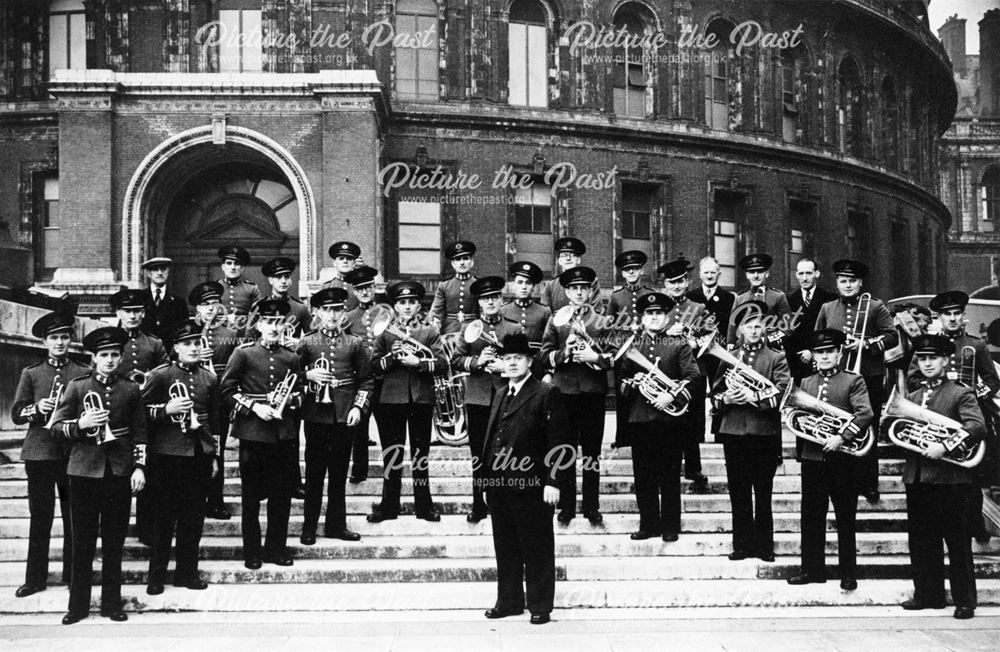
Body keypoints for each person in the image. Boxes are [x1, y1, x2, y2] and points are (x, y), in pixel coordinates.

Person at [50, 326, 147, 625]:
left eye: (114, 354)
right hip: (82, 472)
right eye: (103, 355)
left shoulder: (131, 389)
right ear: (93, 358)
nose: (109, 360)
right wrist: (81, 423)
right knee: (82, 542)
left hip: (118, 470)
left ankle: (111, 604)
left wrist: (140, 467)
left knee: (114, 542)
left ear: (121, 357)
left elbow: (141, 432)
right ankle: (77, 606)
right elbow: (56, 427)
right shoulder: (78, 386)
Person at [482, 333, 571, 625]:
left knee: (537, 546)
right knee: (505, 546)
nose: (511, 364)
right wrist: (486, 482)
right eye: (507, 359)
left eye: (517, 358)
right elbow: (490, 439)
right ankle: (508, 601)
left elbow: (560, 443)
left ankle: (540, 604)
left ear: (529, 361)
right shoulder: (500, 392)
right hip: (500, 485)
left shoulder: (546, 392)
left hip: (533, 485)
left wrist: (553, 481)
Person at [899, 334, 985, 620]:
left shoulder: (960, 392)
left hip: (950, 479)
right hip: (918, 477)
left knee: (957, 542)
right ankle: (928, 595)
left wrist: (945, 445)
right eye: (922, 359)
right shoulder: (912, 396)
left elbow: (976, 426)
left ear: (945, 360)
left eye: (932, 358)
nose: (926, 363)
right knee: (922, 540)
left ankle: (964, 601)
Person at [786, 329, 873, 591]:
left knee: (845, 518)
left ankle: (848, 573)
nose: (824, 356)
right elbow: (800, 416)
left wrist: (842, 437)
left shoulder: (853, 380)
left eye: (829, 352)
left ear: (839, 353)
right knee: (811, 517)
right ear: (813, 355)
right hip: (812, 458)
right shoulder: (807, 381)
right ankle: (812, 571)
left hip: (844, 460)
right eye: (820, 352)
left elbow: (865, 414)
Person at [11, 311, 89, 598]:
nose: (60, 342)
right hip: (40, 453)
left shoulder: (82, 370)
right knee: (40, 517)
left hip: (73, 453)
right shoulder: (31, 373)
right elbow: (17, 413)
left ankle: (73, 574)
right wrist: (37, 408)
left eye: (64, 337)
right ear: (44, 341)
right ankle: (35, 579)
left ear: (71, 340)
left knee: (74, 517)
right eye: (54, 338)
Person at [911, 291, 1000, 543]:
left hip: (969, 417)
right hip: (935, 416)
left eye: (956, 314)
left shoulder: (976, 345)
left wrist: (972, 394)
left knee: (972, 475)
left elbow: (992, 380)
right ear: (939, 316)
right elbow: (913, 379)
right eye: (947, 314)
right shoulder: (928, 346)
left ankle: (975, 523)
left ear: (963, 316)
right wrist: (942, 386)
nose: (952, 319)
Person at [220, 299, 302, 569]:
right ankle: (252, 552)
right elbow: (227, 391)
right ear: (258, 324)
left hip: (283, 435)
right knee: (251, 497)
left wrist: (286, 402)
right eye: (269, 322)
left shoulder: (291, 357)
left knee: (281, 496)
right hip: (253, 434)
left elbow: (300, 395)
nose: (274, 328)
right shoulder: (243, 353)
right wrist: (255, 407)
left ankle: (276, 550)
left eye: (280, 323)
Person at [142, 321, 221, 596]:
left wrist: (213, 456)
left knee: (193, 518)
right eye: (187, 343)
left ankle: (187, 573)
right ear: (175, 348)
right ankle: (156, 575)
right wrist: (166, 409)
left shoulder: (209, 378)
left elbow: (214, 421)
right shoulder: (160, 375)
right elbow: (140, 414)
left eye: (197, 343)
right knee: (163, 519)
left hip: (198, 455)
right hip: (166, 457)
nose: (193, 348)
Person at [711, 301, 790, 562]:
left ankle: (764, 546)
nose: (754, 331)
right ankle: (742, 545)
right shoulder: (730, 355)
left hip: (763, 432)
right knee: (739, 490)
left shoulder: (776, 357)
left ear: (765, 327)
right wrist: (728, 399)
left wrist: (754, 395)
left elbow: (781, 393)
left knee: (763, 491)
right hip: (733, 431)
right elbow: (715, 394)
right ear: (741, 329)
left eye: (758, 326)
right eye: (749, 326)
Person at [814, 259, 896, 503]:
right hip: (838, 378)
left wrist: (867, 343)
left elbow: (891, 337)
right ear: (837, 283)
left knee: (866, 427)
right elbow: (818, 339)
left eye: (852, 281)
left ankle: (869, 483)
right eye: (843, 281)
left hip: (868, 376)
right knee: (839, 425)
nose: (847, 285)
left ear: (860, 283)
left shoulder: (874, 306)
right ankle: (843, 480)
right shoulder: (828, 308)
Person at [619, 293, 700, 542]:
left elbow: (693, 378)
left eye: (658, 314)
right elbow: (621, 382)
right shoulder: (634, 346)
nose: (654, 318)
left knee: (669, 474)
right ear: (642, 318)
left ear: (666, 317)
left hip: (669, 420)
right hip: (640, 418)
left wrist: (672, 398)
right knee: (643, 475)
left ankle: (669, 526)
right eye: (649, 314)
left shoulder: (678, 344)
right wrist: (634, 383)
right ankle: (648, 524)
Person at [298, 288, 373, 544]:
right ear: (317, 312)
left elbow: (366, 381)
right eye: (327, 309)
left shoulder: (354, 343)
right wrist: (307, 376)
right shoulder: (307, 342)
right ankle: (309, 527)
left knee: (339, 474)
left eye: (337, 309)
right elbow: (292, 375)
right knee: (315, 473)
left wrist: (357, 408)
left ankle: (336, 526)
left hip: (344, 415)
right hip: (316, 415)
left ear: (343, 312)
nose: (332, 314)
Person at [368, 281, 447, 523]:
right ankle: (388, 506)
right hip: (391, 400)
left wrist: (419, 363)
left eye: (411, 302)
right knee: (392, 454)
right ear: (395, 306)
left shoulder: (429, 331)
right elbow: (373, 366)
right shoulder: (385, 331)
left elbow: (443, 364)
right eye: (402, 303)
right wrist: (392, 357)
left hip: (421, 399)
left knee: (420, 456)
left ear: (418, 305)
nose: (407, 307)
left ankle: (425, 506)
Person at [540, 266, 613, 525]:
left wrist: (596, 357)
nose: (580, 293)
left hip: (593, 391)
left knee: (592, 452)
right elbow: (543, 356)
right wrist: (565, 353)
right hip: (565, 392)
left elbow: (616, 354)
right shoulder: (556, 319)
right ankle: (568, 506)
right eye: (574, 288)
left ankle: (591, 507)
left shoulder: (602, 320)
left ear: (590, 291)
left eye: (584, 288)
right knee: (566, 449)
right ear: (567, 291)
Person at [453, 276, 520, 522]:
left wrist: (504, 366)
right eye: (485, 298)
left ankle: (504, 502)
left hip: (507, 396)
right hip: (478, 397)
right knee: (478, 452)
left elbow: (523, 361)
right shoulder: (468, 329)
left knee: (506, 451)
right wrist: (477, 362)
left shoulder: (512, 328)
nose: (490, 302)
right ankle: (478, 504)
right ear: (479, 302)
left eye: (494, 297)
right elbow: (456, 360)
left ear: (501, 300)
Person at [109, 287, 168, 547]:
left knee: (152, 476)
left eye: (137, 311)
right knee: (117, 477)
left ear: (144, 313)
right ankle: (113, 532)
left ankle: (147, 529)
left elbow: (165, 373)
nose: (132, 316)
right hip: (119, 419)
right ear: (118, 313)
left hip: (148, 416)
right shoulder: (109, 343)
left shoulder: (153, 343)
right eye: (127, 311)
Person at [188, 281, 241, 520]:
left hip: (218, 402)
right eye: (204, 305)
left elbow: (236, 370)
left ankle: (216, 501)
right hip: (193, 402)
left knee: (216, 451)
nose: (209, 309)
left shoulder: (229, 335)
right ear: (197, 308)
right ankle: (195, 500)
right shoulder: (187, 333)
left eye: (213, 304)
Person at [659, 257, 712, 493]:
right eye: (672, 283)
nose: (677, 286)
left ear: (688, 282)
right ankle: (668, 466)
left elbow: (713, 339)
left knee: (692, 421)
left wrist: (693, 341)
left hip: (692, 372)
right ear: (665, 285)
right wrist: (667, 332)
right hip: (667, 372)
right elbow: (647, 337)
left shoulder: (698, 308)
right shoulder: (658, 310)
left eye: (681, 281)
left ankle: (693, 468)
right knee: (669, 421)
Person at [342, 265, 389, 484]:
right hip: (361, 380)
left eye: (368, 287)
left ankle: (391, 469)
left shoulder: (387, 312)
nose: (365, 292)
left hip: (385, 377)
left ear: (374, 287)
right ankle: (359, 469)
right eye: (360, 289)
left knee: (387, 427)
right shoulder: (348, 317)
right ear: (354, 291)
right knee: (359, 427)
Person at [785, 258, 836, 380]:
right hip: (796, 361)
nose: (804, 278)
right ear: (796, 275)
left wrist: (812, 351)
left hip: (821, 357)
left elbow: (831, 330)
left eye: (808, 273)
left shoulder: (830, 298)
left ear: (816, 274)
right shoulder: (789, 300)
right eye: (801, 274)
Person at [726, 253, 791, 348]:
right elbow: (733, 324)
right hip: (744, 348)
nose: (756, 276)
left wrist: (770, 339)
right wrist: (730, 342)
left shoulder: (778, 296)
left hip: (770, 349)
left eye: (760, 271)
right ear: (747, 275)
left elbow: (788, 326)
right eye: (752, 272)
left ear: (767, 273)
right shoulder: (740, 298)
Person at [500, 261, 551, 378]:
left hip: (537, 365)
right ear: (513, 284)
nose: (524, 286)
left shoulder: (544, 311)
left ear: (533, 286)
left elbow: (549, 344)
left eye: (528, 283)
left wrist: (548, 372)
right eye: (520, 282)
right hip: (511, 367)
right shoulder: (503, 311)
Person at [254, 257, 312, 339]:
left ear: (290, 280)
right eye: (278, 277)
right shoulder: (259, 307)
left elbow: (313, 338)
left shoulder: (300, 308)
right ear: (270, 280)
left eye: (287, 277)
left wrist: (299, 343)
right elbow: (250, 339)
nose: (283, 281)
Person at [139, 257, 190, 350]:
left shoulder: (178, 301)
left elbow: (184, 331)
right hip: (144, 352)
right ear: (148, 274)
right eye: (155, 269)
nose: (159, 273)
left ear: (168, 272)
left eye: (163, 269)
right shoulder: (139, 298)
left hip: (169, 352)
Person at [430, 240, 479, 334]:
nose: (462, 263)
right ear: (453, 264)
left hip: (473, 328)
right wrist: (436, 322)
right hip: (449, 329)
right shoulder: (444, 285)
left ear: (472, 262)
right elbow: (437, 310)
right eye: (458, 259)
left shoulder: (478, 284)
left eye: (465, 258)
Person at [540, 237, 600, 311]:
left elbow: (597, 311)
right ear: (559, 261)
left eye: (572, 255)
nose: (568, 258)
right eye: (564, 255)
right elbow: (545, 314)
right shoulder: (551, 286)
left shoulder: (591, 282)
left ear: (578, 260)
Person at [216, 245, 261, 332]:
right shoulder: (215, 288)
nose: (233, 267)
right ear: (223, 267)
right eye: (229, 263)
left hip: (244, 334)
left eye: (237, 264)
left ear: (242, 268)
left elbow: (257, 316)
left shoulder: (251, 288)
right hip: (220, 333)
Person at [322, 241, 362, 310]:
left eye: (349, 259)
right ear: (334, 263)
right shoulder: (327, 287)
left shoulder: (361, 285)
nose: (345, 261)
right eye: (341, 259)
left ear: (354, 263)